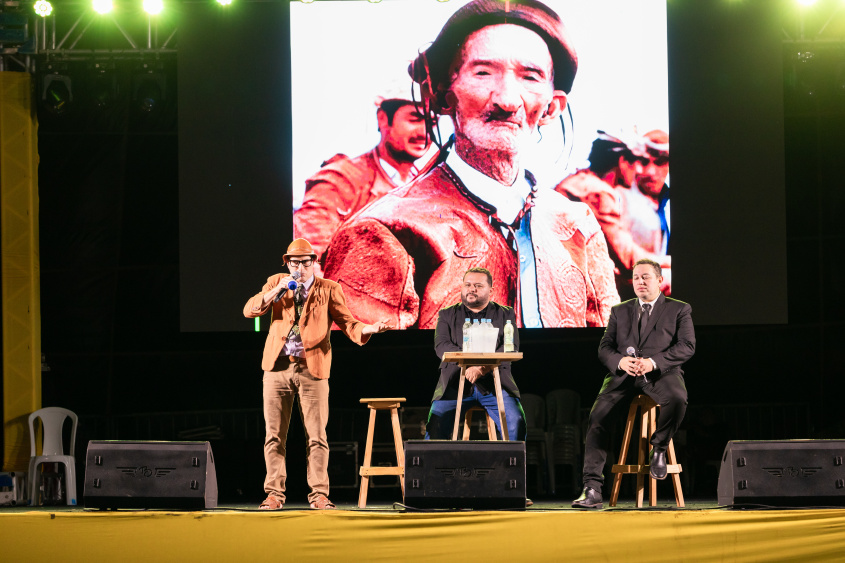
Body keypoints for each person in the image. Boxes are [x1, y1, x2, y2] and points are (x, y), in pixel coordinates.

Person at [322, 0, 619, 329]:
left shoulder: (579, 227)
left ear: (552, 108)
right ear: (444, 94)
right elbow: (367, 373)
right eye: (483, 72)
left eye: (530, 77)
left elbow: (608, 358)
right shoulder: (388, 231)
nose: (506, 100)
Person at [243, 238, 392, 510]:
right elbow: (250, 309)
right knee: (274, 435)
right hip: (277, 367)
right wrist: (274, 292)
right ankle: (274, 494)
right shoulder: (276, 282)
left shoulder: (329, 288)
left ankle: (319, 494)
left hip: (313, 368)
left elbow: (348, 322)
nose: (300, 267)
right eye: (294, 262)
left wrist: (368, 330)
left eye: (305, 261)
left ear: (314, 262)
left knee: (317, 436)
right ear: (287, 263)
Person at [572, 258, 694, 509]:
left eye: (646, 277)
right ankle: (592, 488)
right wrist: (620, 362)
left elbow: (687, 346)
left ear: (660, 280)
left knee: (678, 399)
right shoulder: (620, 310)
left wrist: (654, 362)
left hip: (661, 373)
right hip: (623, 375)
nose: (640, 281)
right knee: (597, 418)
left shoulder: (679, 309)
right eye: (636, 277)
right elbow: (604, 348)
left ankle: (658, 447)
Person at [293, 88, 432, 275]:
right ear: (383, 119)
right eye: (414, 119)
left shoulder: (429, 190)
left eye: (432, 122)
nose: (424, 132)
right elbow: (304, 258)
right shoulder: (341, 180)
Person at [556, 130, 671, 298]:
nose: (639, 170)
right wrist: (671, 262)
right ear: (622, 161)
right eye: (635, 162)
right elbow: (628, 260)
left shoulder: (583, 182)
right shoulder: (597, 193)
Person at [428, 267, 525, 441]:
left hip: (495, 385)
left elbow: (510, 347)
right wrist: (469, 365)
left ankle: (508, 467)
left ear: (491, 290)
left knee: (516, 422)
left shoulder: (505, 314)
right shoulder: (446, 314)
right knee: (435, 425)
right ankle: (435, 468)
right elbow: (441, 345)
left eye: (478, 285)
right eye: (468, 284)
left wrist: (482, 368)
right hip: (455, 383)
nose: (471, 289)